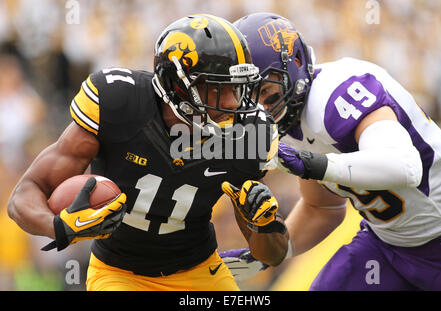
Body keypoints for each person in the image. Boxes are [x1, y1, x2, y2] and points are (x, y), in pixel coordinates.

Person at [7, 14, 289, 291]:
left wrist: (264, 224)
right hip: (118, 273)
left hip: (200, 270)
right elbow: (27, 191)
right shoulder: (119, 104)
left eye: (237, 89)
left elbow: (272, 255)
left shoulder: (246, 133)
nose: (231, 102)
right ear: (179, 85)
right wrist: (59, 227)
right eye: (218, 89)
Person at [220, 12, 441, 290]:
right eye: (247, 96)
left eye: (266, 90)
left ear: (295, 64)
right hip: (388, 245)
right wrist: (270, 252)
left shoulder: (336, 93)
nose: (260, 108)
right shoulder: (288, 121)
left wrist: (314, 165)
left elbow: (405, 166)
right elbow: (322, 208)